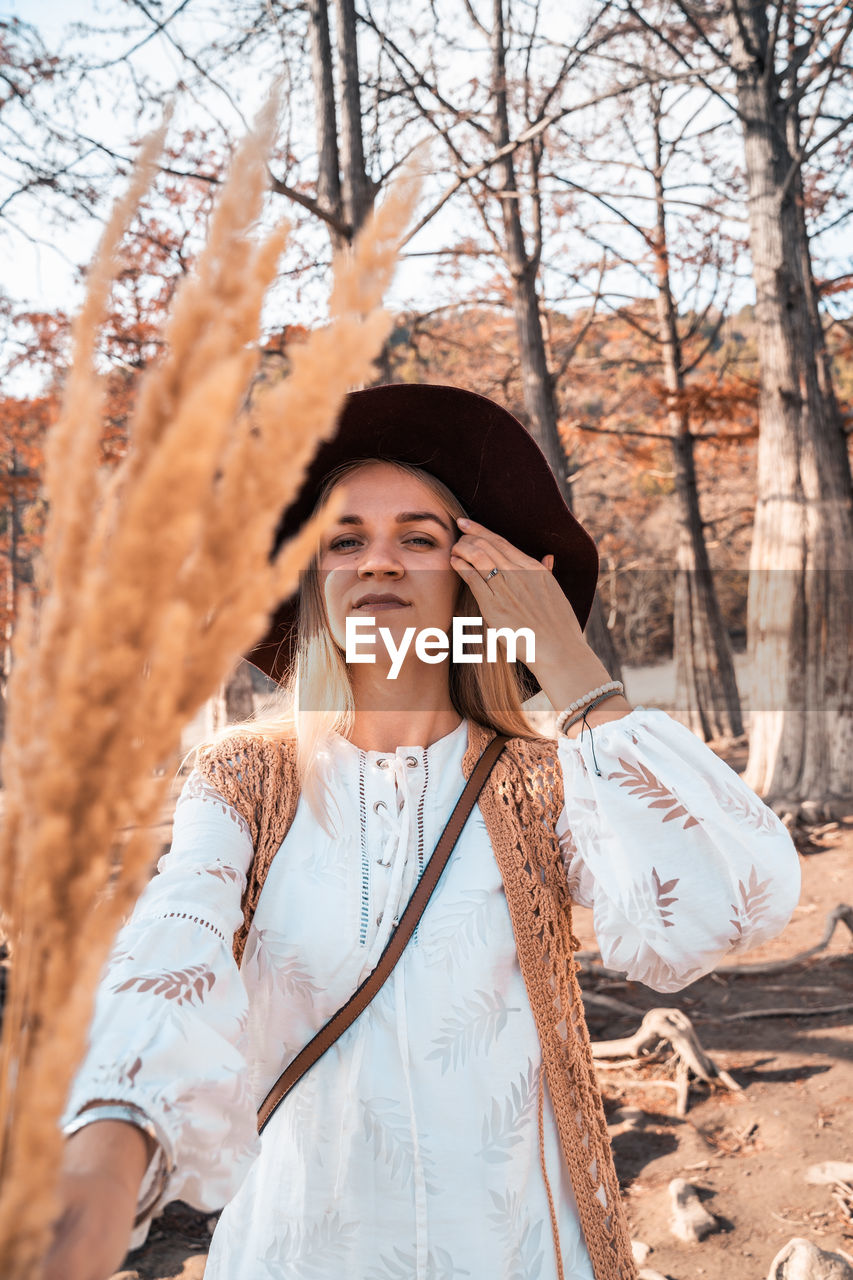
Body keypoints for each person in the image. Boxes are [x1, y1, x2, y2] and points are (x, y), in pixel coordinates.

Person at [48, 383, 800, 1280]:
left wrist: (568, 666)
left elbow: (728, 908)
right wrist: (109, 1144)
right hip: (303, 1244)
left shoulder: (541, 779)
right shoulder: (246, 774)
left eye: (418, 537)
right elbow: (181, 931)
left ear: (474, 575)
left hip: (515, 1246)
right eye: (345, 540)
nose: (378, 562)